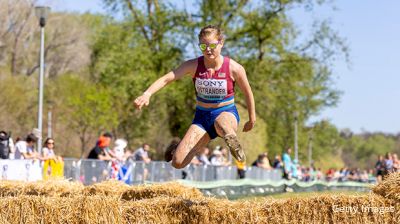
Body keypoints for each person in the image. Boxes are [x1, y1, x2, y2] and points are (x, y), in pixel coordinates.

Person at [134, 25, 256, 169]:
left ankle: (232, 141)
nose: (208, 49)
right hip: (202, 118)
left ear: (221, 43)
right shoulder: (193, 65)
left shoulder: (234, 68)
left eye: (212, 45)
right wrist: (147, 93)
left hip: (226, 113)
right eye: (203, 46)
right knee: (178, 163)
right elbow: (167, 78)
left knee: (222, 123)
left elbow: (248, 91)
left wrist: (251, 118)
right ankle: (180, 147)